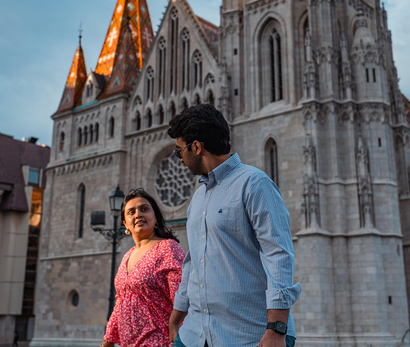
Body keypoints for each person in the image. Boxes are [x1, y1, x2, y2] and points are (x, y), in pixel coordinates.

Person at [167, 104, 302, 347]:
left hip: (249, 335)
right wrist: (177, 315)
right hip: (195, 335)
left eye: (179, 152)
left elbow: (278, 255)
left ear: (196, 147)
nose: (179, 160)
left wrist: (277, 329)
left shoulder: (254, 183)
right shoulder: (197, 198)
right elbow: (193, 261)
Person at [101, 188, 185, 347]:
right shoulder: (127, 256)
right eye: (131, 212)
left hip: (160, 341)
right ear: (125, 223)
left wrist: (176, 332)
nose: (138, 214)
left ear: (156, 218)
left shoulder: (168, 248)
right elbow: (120, 304)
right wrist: (106, 343)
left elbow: (182, 298)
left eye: (144, 209)